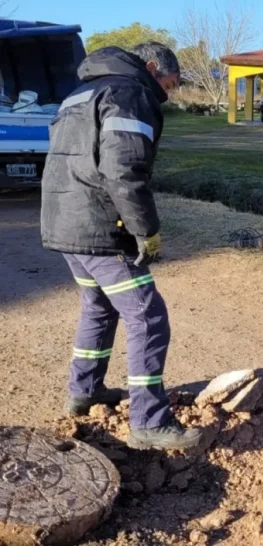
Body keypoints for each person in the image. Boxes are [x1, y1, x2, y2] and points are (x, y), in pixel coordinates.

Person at [40, 42, 201, 450]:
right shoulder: (130, 93)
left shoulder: (81, 93)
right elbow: (124, 169)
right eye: (170, 83)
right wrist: (145, 230)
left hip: (65, 222)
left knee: (98, 306)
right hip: (100, 228)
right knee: (147, 315)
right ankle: (148, 422)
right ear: (151, 67)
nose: (169, 93)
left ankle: (85, 391)